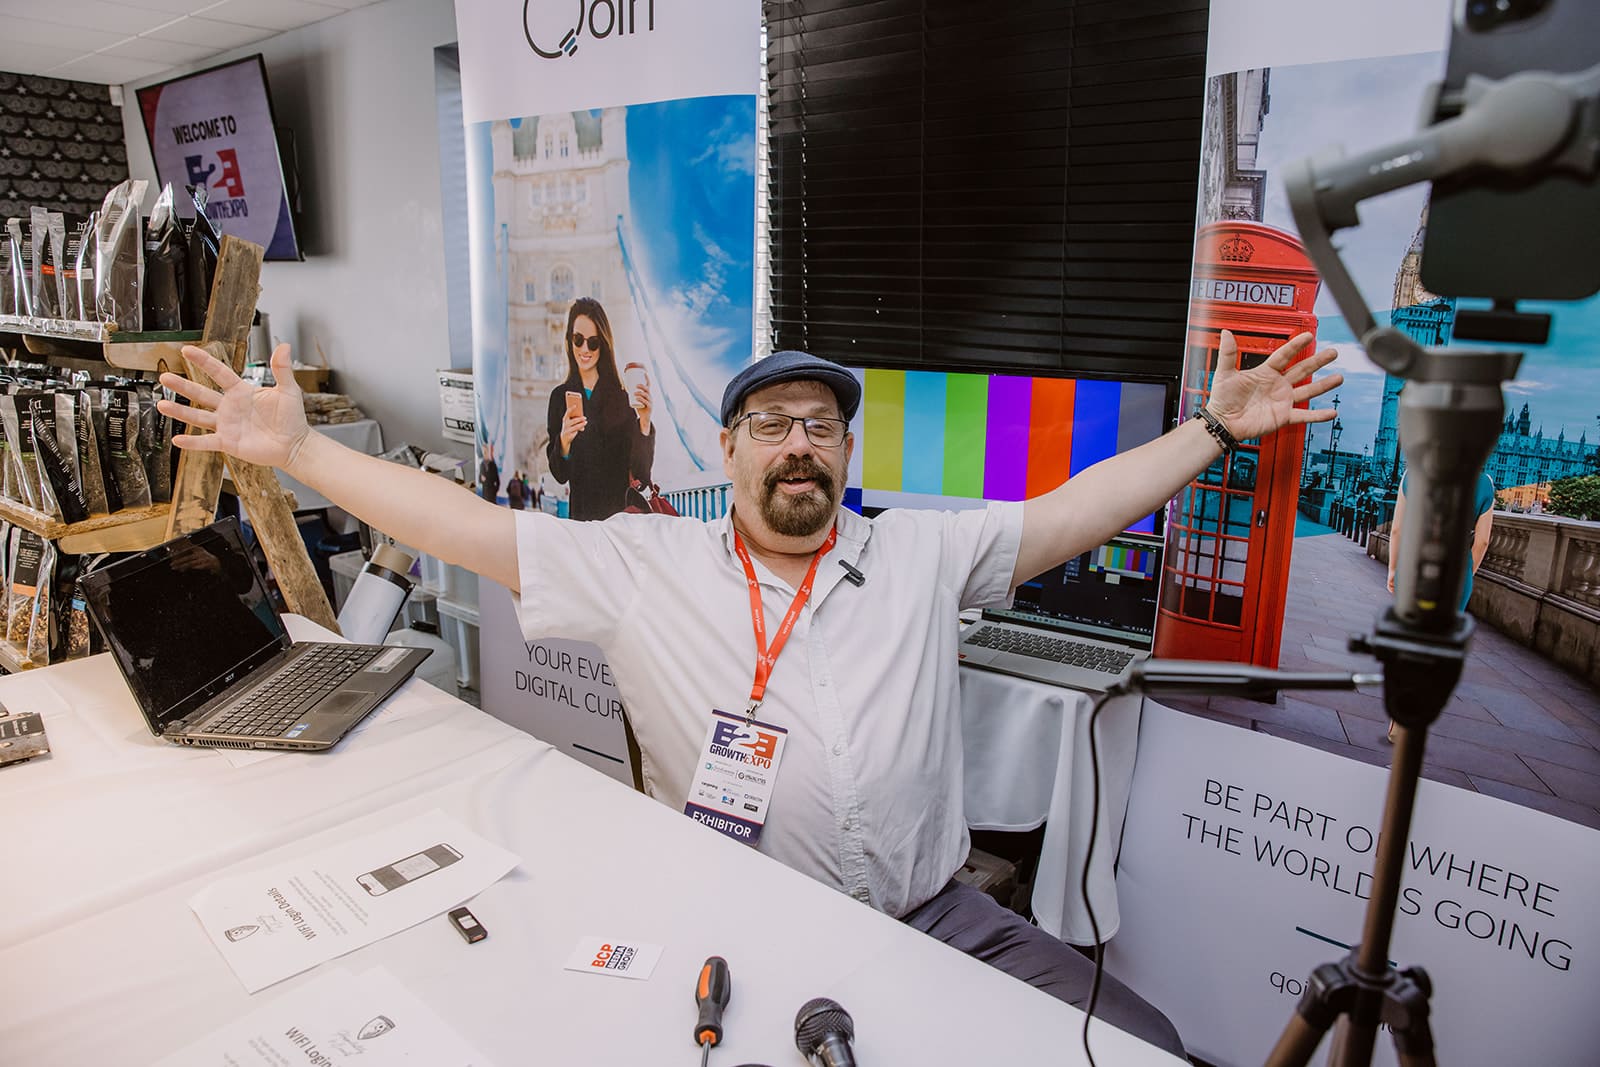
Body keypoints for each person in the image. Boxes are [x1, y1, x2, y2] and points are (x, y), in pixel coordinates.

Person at [158, 331, 1340, 1057]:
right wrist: (300, 451)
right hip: (742, 920)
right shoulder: (644, 564)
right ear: (725, 453)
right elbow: (462, 525)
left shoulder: (921, 553)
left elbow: (1076, 509)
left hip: (936, 912)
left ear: (845, 456)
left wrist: (1211, 429)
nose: (796, 443)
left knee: (1144, 1043)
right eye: (769, 424)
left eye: (820, 425)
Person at [1384, 468, 1496, 742]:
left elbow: (1397, 529)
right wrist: (1465, 573)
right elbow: (1482, 541)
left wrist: (1393, 569)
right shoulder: (1484, 482)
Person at [546, 297, 655, 520]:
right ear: (569, 340)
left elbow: (641, 476)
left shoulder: (622, 397)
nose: (585, 349)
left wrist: (644, 423)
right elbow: (559, 474)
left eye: (593, 342)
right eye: (578, 340)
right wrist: (564, 441)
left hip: (619, 522)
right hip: (582, 523)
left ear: (603, 344)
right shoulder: (559, 398)